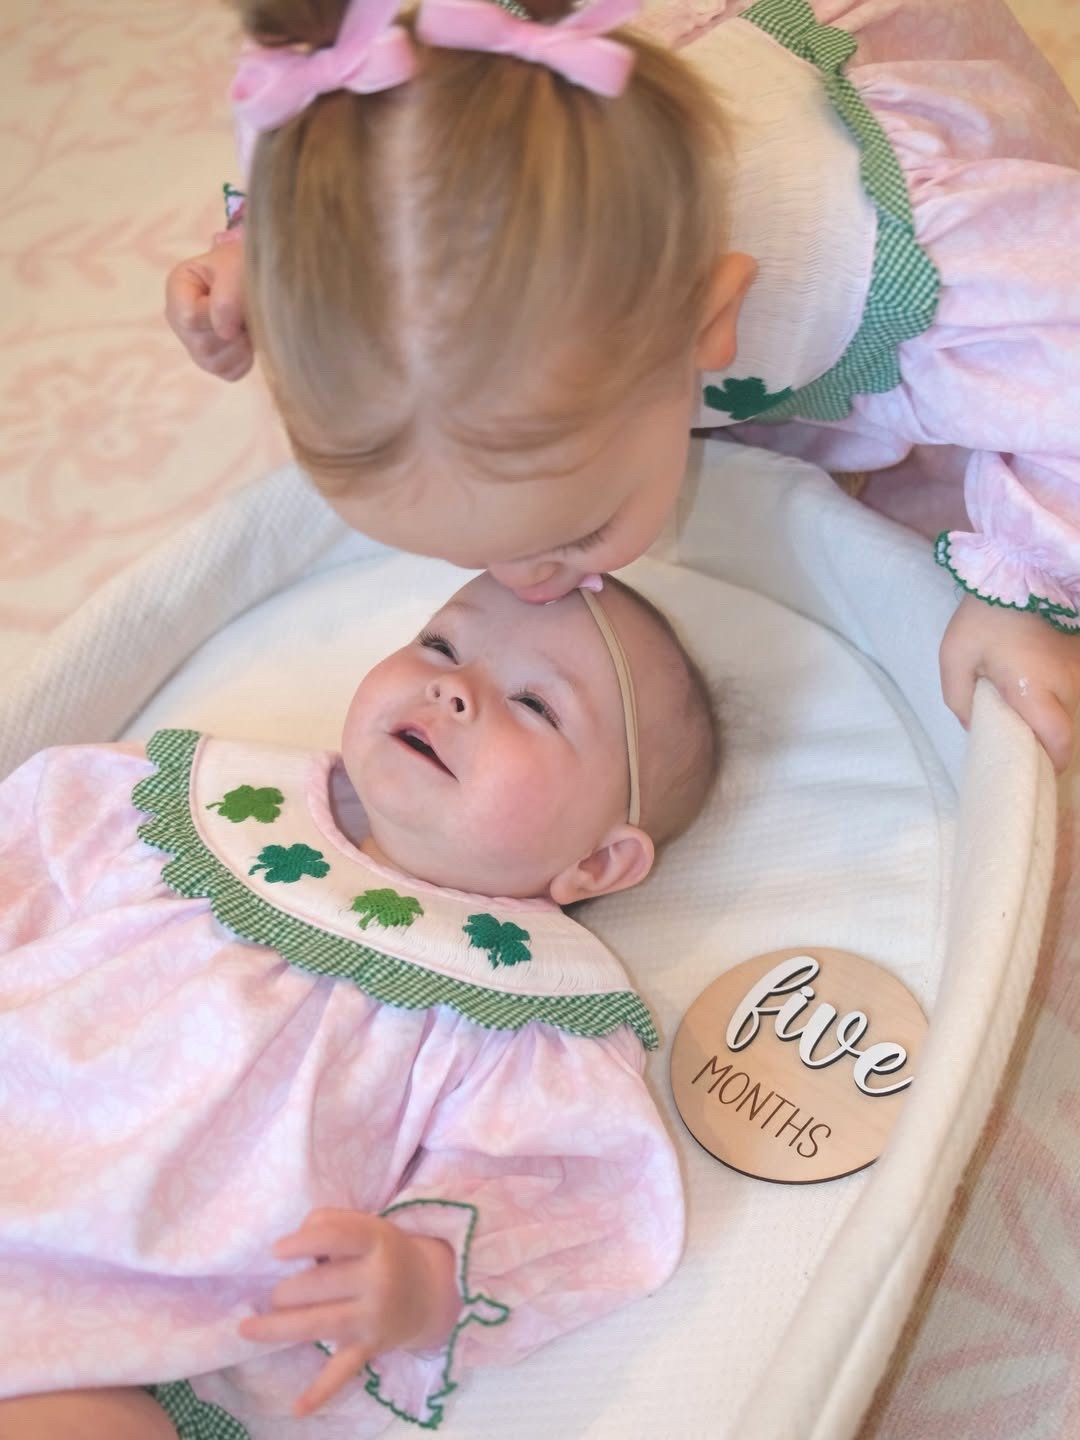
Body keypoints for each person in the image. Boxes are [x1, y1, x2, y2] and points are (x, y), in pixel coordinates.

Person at [165, 0, 1080, 771]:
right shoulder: (391, 183)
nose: (520, 583)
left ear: (712, 326)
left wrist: (1022, 584)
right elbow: (364, 176)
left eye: (576, 532)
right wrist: (263, 255)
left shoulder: (930, 267)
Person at [0, 573, 716, 1440]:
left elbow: (562, 1191)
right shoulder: (188, 816)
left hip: (124, 1334)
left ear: (598, 865)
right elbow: (25, 858)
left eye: (534, 704)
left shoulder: (514, 1023)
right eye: (441, 645)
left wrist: (422, 1279)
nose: (455, 687)